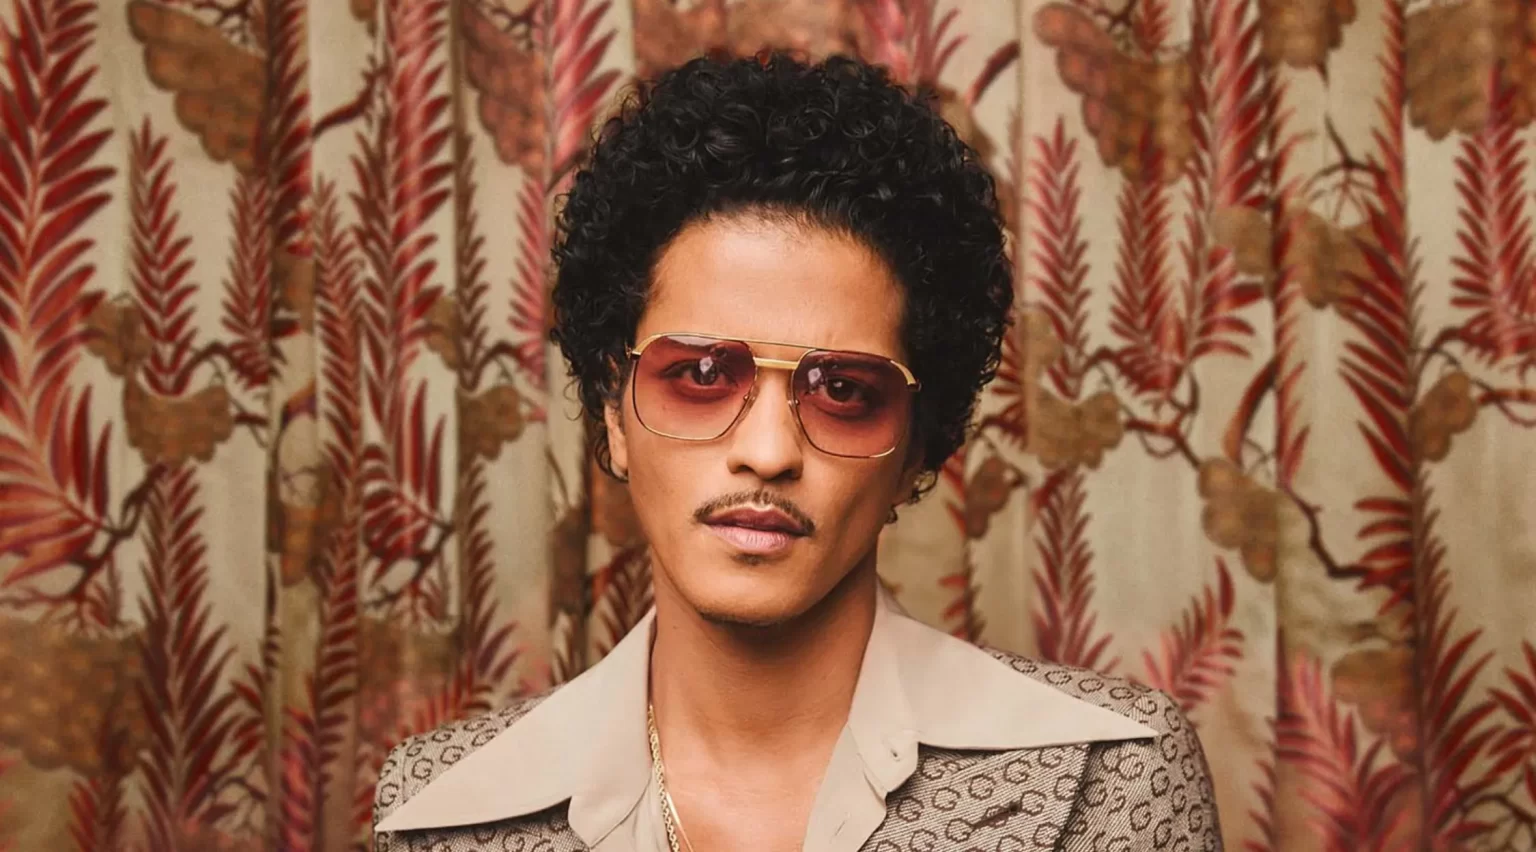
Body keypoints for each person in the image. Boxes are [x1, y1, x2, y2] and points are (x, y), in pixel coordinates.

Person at [373, 52, 1221, 852]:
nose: (769, 451)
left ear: (917, 449)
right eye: (702, 374)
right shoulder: (443, 815)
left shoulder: (1109, 781)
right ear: (615, 417)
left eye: (843, 390)